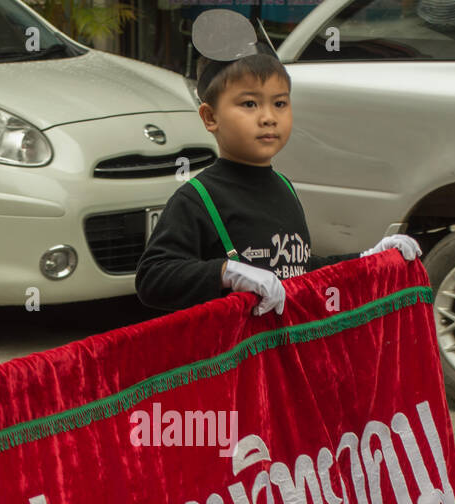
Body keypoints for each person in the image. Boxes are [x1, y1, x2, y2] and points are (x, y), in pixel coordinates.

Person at [135, 9, 422, 316]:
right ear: (210, 117)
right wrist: (225, 273)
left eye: (280, 103)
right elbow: (152, 277)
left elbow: (299, 271)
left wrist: (367, 258)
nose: (268, 117)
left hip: (284, 357)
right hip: (232, 360)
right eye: (249, 104)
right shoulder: (197, 199)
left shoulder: (285, 188)